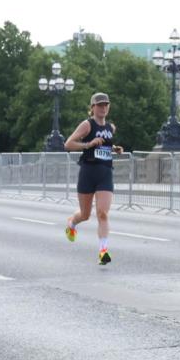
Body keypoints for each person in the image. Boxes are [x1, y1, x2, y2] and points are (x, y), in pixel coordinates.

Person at [63, 92, 124, 265]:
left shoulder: (111, 128)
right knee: (85, 214)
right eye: (100, 105)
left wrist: (115, 149)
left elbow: (105, 147)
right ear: (93, 108)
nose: (103, 108)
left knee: (102, 213)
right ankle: (71, 223)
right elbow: (68, 144)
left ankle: (103, 251)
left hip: (105, 173)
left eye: (106, 105)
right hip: (88, 172)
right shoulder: (87, 125)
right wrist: (88, 144)